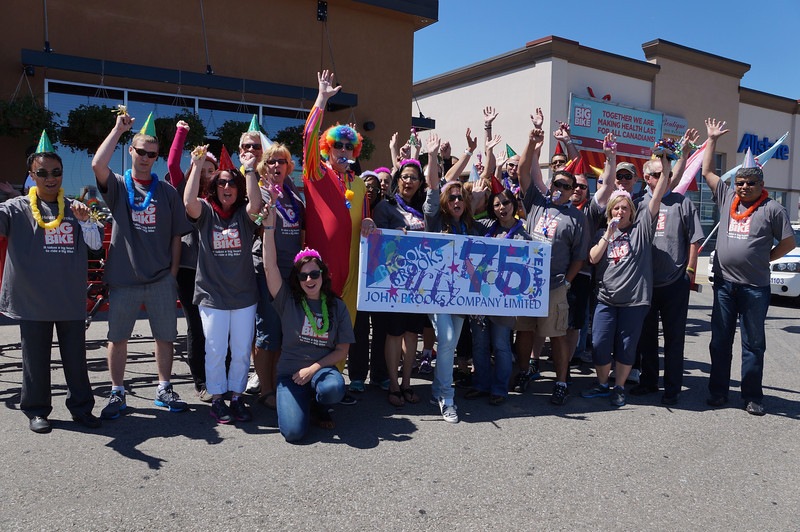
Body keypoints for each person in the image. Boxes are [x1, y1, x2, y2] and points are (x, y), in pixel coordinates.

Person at [91, 111, 192, 419]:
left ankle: (163, 389)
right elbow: (97, 165)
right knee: (117, 338)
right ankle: (118, 392)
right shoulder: (119, 186)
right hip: (124, 278)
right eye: (141, 152)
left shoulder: (167, 192)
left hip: (161, 278)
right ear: (131, 152)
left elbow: (177, 235)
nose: (147, 158)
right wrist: (118, 130)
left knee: (165, 336)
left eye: (153, 154)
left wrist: (172, 273)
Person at [0, 145, 103, 433]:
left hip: (69, 299)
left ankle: (81, 409)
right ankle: (36, 411)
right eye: (42, 173)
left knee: (76, 360)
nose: (50, 178)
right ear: (32, 176)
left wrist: (85, 222)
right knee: (35, 361)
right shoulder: (15, 208)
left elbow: (95, 246)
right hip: (32, 301)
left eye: (56, 172)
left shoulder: (75, 207)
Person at [701, 118, 794, 415]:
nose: (743, 186)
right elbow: (707, 172)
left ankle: (752, 396)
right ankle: (717, 392)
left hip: (755, 288)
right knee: (720, 341)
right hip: (725, 285)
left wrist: (763, 258)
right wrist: (712, 139)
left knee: (753, 344)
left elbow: (789, 244)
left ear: (761, 184)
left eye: (749, 182)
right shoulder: (727, 196)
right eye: (740, 181)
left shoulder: (773, 209)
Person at [581, 149, 671, 408]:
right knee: (599, 343)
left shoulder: (642, 229)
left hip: (634, 301)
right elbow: (594, 258)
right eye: (615, 208)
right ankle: (602, 384)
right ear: (609, 212)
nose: (620, 212)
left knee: (626, 347)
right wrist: (608, 233)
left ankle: (618, 387)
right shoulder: (604, 231)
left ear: (632, 211)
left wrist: (664, 171)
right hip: (606, 300)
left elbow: (656, 197)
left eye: (624, 208)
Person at [183, 145, 261, 422]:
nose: (226, 186)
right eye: (221, 182)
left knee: (240, 351)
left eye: (231, 182)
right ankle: (217, 398)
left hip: (243, 297)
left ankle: (237, 397)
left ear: (239, 188)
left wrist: (249, 169)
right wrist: (197, 164)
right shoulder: (205, 211)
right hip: (212, 296)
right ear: (214, 187)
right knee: (215, 349)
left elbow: (257, 205)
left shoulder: (244, 215)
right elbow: (188, 201)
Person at [261, 207, 354, 442]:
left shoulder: (337, 306)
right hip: (289, 375)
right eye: (303, 276)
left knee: (333, 388)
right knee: (293, 433)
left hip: (320, 372)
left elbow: (342, 350)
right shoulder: (287, 301)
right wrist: (269, 228)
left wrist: (312, 369)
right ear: (297, 280)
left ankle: (321, 405)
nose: (309, 280)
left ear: (323, 275)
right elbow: (269, 267)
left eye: (314, 274)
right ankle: (304, 403)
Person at [515, 127, 589, 406]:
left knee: (557, 335)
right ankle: (523, 373)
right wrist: (532, 142)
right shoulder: (536, 203)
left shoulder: (577, 218)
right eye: (556, 184)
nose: (559, 189)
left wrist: (567, 282)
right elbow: (523, 172)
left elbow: (580, 257)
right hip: (526, 283)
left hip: (556, 285)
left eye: (566, 187)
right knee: (524, 330)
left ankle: (560, 382)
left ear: (573, 192)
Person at [630, 155, 703, 405]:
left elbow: (694, 239)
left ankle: (672, 387)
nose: (668, 178)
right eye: (662, 174)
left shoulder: (682, 203)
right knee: (647, 336)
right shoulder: (638, 203)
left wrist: (690, 272)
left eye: (669, 174)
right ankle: (649, 381)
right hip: (646, 283)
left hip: (674, 283)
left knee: (674, 338)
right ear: (648, 178)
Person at [302, 70, 373, 327]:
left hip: (353, 271)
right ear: (327, 148)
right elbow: (309, 136)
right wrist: (321, 99)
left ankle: (335, 370)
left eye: (348, 146)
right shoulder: (317, 173)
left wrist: (368, 221)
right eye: (337, 145)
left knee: (344, 333)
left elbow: (365, 216)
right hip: (320, 271)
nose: (343, 150)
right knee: (317, 331)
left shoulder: (358, 183)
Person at [424, 133, 478, 423]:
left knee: (450, 345)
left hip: (463, 295)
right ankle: (447, 397)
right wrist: (432, 156)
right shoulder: (435, 220)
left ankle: (436, 388)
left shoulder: (471, 226)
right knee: (445, 339)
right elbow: (433, 187)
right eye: (452, 197)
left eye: (461, 196)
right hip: (437, 292)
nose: (457, 200)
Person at [382, 141, 439, 406]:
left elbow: (435, 189)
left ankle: (407, 384)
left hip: (419, 283)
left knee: (411, 335)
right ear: (398, 179)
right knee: (394, 334)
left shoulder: (424, 210)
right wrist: (395, 238)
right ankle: (393, 385)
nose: (409, 181)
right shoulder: (386, 207)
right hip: (393, 283)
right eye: (404, 176)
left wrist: (433, 155)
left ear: (420, 183)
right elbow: (376, 245)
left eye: (414, 178)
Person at [464, 186, 531, 406]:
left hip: (504, 302)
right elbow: (466, 220)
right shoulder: (485, 227)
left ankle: (500, 388)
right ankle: (481, 384)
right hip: (480, 300)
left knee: (501, 345)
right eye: (497, 205)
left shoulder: (524, 234)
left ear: (514, 205)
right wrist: (474, 199)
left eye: (506, 203)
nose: (502, 208)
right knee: (480, 344)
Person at [251, 143, 305, 409]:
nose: (276, 166)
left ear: (288, 167)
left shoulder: (294, 196)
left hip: (292, 275)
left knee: (284, 333)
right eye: (271, 161)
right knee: (267, 333)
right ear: (264, 166)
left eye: (281, 162)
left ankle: (278, 382)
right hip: (267, 272)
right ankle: (266, 389)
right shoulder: (260, 193)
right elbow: (254, 216)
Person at [168, 120, 218, 402]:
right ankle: (200, 381)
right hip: (188, 270)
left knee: (218, 327)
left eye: (212, 170)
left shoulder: (225, 196)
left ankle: (218, 376)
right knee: (196, 327)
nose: (208, 175)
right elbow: (174, 164)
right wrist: (181, 133)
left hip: (217, 272)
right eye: (203, 169)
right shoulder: (183, 191)